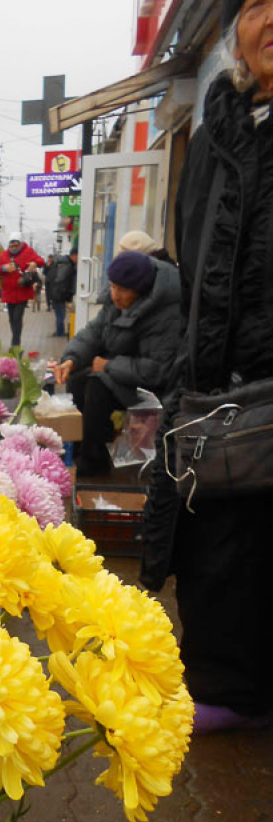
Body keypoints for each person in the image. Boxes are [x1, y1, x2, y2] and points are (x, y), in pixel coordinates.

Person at [141, 0, 273, 734]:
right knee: (221, 537)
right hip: (223, 395)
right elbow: (193, 263)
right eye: (256, 4)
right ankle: (225, 681)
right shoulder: (220, 131)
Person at [52, 250, 181, 477]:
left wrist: (108, 366)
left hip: (156, 387)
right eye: (112, 286)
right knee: (78, 378)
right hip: (124, 372)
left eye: (122, 290)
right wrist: (70, 359)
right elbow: (94, 332)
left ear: (140, 290)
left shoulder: (166, 312)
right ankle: (83, 447)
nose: (115, 295)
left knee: (97, 387)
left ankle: (94, 465)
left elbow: (158, 370)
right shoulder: (116, 302)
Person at [0, 232, 44, 348]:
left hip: (22, 292)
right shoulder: (4, 255)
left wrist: (34, 263)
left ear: (21, 244)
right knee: (12, 319)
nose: (14, 247)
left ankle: (15, 344)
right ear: (9, 245)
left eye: (17, 245)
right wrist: (4, 268)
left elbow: (41, 261)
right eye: (12, 245)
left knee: (17, 317)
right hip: (9, 292)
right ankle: (15, 340)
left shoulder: (28, 252)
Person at [50, 242, 78, 337]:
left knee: (60, 314)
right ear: (74, 255)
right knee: (60, 314)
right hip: (58, 294)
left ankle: (59, 331)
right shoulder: (66, 264)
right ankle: (59, 332)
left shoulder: (65, 263)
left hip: (57, 293)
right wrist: (65, 292)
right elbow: (60, 279)